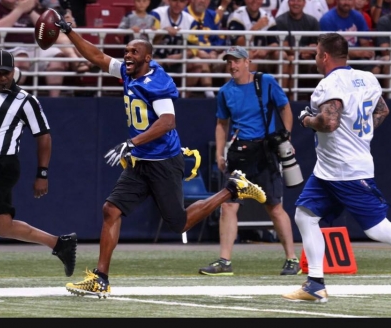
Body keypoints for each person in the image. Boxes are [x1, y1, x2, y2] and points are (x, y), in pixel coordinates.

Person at [53, 17, 267, 298]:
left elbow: (167, 122)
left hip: (164, 161)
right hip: (141, 161)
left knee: (178, 223)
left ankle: (232, 188)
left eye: (134, 52)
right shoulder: (129, 73)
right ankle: (100, 278)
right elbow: (96, 55)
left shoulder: (157, 81)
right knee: (110, 210)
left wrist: (131, 142)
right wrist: (69, 32)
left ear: (148, 58)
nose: (127, 56)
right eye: (127, 51)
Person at [281, 32, 391, 303]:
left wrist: (306, 120)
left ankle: (315, 284)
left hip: (344, 170)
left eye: (316, 53)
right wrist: (360, 136)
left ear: (325, 56)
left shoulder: (330, 83)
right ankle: (315, 284)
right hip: (329, 169)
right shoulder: (367, 78)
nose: (315, 58)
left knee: (378, 229)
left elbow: (328, 122)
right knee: (305, 215)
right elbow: (382, 111)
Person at [0, 49, 78, 280]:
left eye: (7, 73)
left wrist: (42, 173)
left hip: (1, 165)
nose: (3, 78)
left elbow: (44, 136)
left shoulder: (25, 100)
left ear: (14, 71)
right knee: (3, 226)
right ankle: (59, 244)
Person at [198, 46, 301, 277]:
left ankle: (292, 259)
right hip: (239, 153)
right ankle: (224, 261)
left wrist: (286, 138)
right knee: (228, 205)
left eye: (236, 61)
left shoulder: (265, 81)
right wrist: (219, 154)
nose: (232, 66)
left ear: (247, 62)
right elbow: (221, 123)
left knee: (274, 207)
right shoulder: (225, 91)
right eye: (229, 62)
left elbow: (285, 107)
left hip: (264, 151)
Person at [0, 0, 67, 97]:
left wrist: (29, 11)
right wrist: (18, 10)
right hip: (6, 49)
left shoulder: (32, 8)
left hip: (33, 48)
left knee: (57, 56)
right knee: (22, 58)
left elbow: (48, 30)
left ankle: (54, 100)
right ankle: (10, 98)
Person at [319, 0, 380, 74]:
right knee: (343, 64)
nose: (346, 2)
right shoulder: (327, 19)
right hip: (335, 59)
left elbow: (365, 42)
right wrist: (356, 53)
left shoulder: (358, 16)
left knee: (375, 70)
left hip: (357, 58)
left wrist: (362, 53)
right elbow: (332, 50)